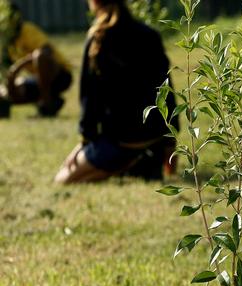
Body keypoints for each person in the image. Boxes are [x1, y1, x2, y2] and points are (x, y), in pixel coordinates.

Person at [54, 0, 177, 184]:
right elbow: (167, 90)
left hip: (118, 142)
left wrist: (85, 142)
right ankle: (142, 163)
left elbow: (90, 100)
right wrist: (170, 143)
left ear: (94, 3)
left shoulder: (98, 38)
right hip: (153, 138)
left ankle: (126, 165)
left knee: (62, 178)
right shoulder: (150, 35)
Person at [0, 1, 73, 117]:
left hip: (59, 75)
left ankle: (46, 104)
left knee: (40, 57)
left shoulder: (27, 30)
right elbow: (6, 69)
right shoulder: (7, 42)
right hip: (37, 80)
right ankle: (52, 101)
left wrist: (18, 66)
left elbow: (45, 52)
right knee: (4, 89)